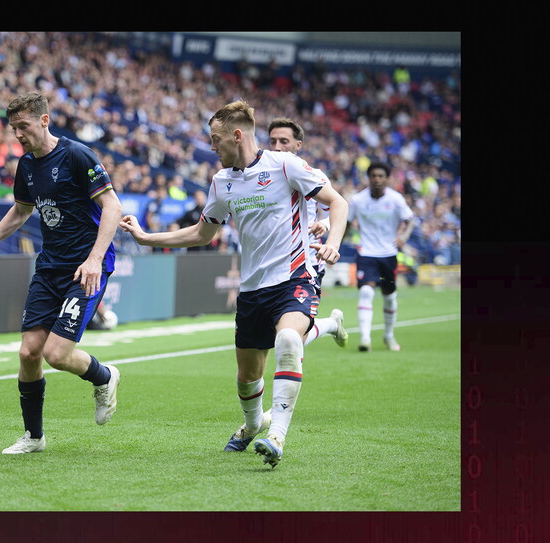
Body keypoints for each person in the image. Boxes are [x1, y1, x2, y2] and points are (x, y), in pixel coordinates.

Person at [119, 100, 348, 469]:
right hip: (252, 289)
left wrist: (333, 242)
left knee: (289, 340)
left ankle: (278, 437)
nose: (212, 147)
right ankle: (255, 424)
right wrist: (147, 239)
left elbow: (337, 202)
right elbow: (201, 233)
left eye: (216, 140)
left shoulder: (285, 165)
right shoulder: (221, 182)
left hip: (294, 277)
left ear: (236, 135)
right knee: (246, 377)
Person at [0, 92, 123, 454]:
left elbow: (112, 205)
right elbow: (20, 210)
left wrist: (94, 259)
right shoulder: (27, 165)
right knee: (29, 352)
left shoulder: (77, 155)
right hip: (49, 266)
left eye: (23, 126)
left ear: (44, 121)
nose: (18, 134)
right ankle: (34, 436)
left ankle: (105, 376)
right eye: (13, 128)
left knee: (56, 354)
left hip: (85, 267)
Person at [266, 117, 348, 348]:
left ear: (298, 145)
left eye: (284, 141)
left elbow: (335, 207)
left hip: (306, 263)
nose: (277, 147)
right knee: (283, 336)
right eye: (272, 141)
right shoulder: (261, 176)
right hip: (270, 263)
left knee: (291, 337)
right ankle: (331, 325)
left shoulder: (313, 175)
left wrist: (326, 226)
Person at [347, 161, 415, 352]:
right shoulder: (358, 200)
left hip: (388, 255)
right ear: (368, 178)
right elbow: (347, 222)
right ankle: (365, 339)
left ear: (387, 179)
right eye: (373, 176)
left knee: (390, 298)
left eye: (380, 176)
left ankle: (389, 336)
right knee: (366, 292)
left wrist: (403, 237)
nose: (377, 179)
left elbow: (410, 220)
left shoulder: (396, 199)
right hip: (367, 253)